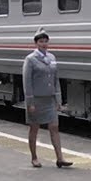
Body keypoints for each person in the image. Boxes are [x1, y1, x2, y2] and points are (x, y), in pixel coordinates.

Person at [22, 30, 71, 169]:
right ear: (36, 43)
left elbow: (56, 80)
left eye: (46, 41)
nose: (44, 44)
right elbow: (27, 83)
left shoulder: (52, 57)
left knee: (54, 127)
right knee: (34, 128)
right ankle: (34, 157)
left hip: (49, 99)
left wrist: (58, 100)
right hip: (36, 100)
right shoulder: (30, 59)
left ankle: (60, 158)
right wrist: (30, 103)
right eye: (41, 41)